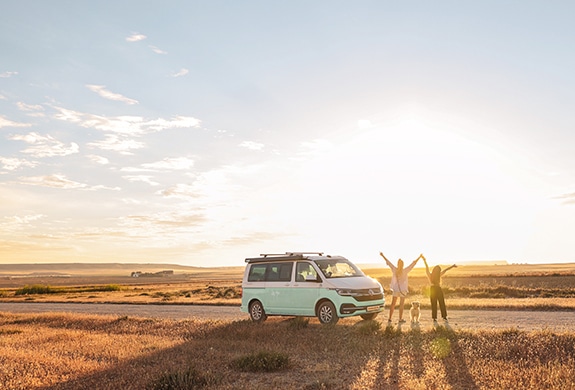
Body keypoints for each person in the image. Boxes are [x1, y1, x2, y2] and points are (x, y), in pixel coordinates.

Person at [379, 252, 422, 323]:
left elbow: (388, 262)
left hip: (396, 289)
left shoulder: (394, 269)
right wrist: (419, 257)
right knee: (401, 305)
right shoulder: (405, 270)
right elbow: (413, 264)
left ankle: (390, 318)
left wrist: (382, 255)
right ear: (403, 265)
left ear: (397, 264)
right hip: (403, 290)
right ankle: (400, 319)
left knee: (393, 304)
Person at [421, 254, 456, 324]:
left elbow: (427, 267)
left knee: (434, 303)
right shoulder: (438, 275)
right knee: (441, 303)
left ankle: (434, 318)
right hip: (438, 289)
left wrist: (424, 260)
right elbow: (445, 270)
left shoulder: (430, 275)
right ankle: (444, 317)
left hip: (433, 289)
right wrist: (452, 266)